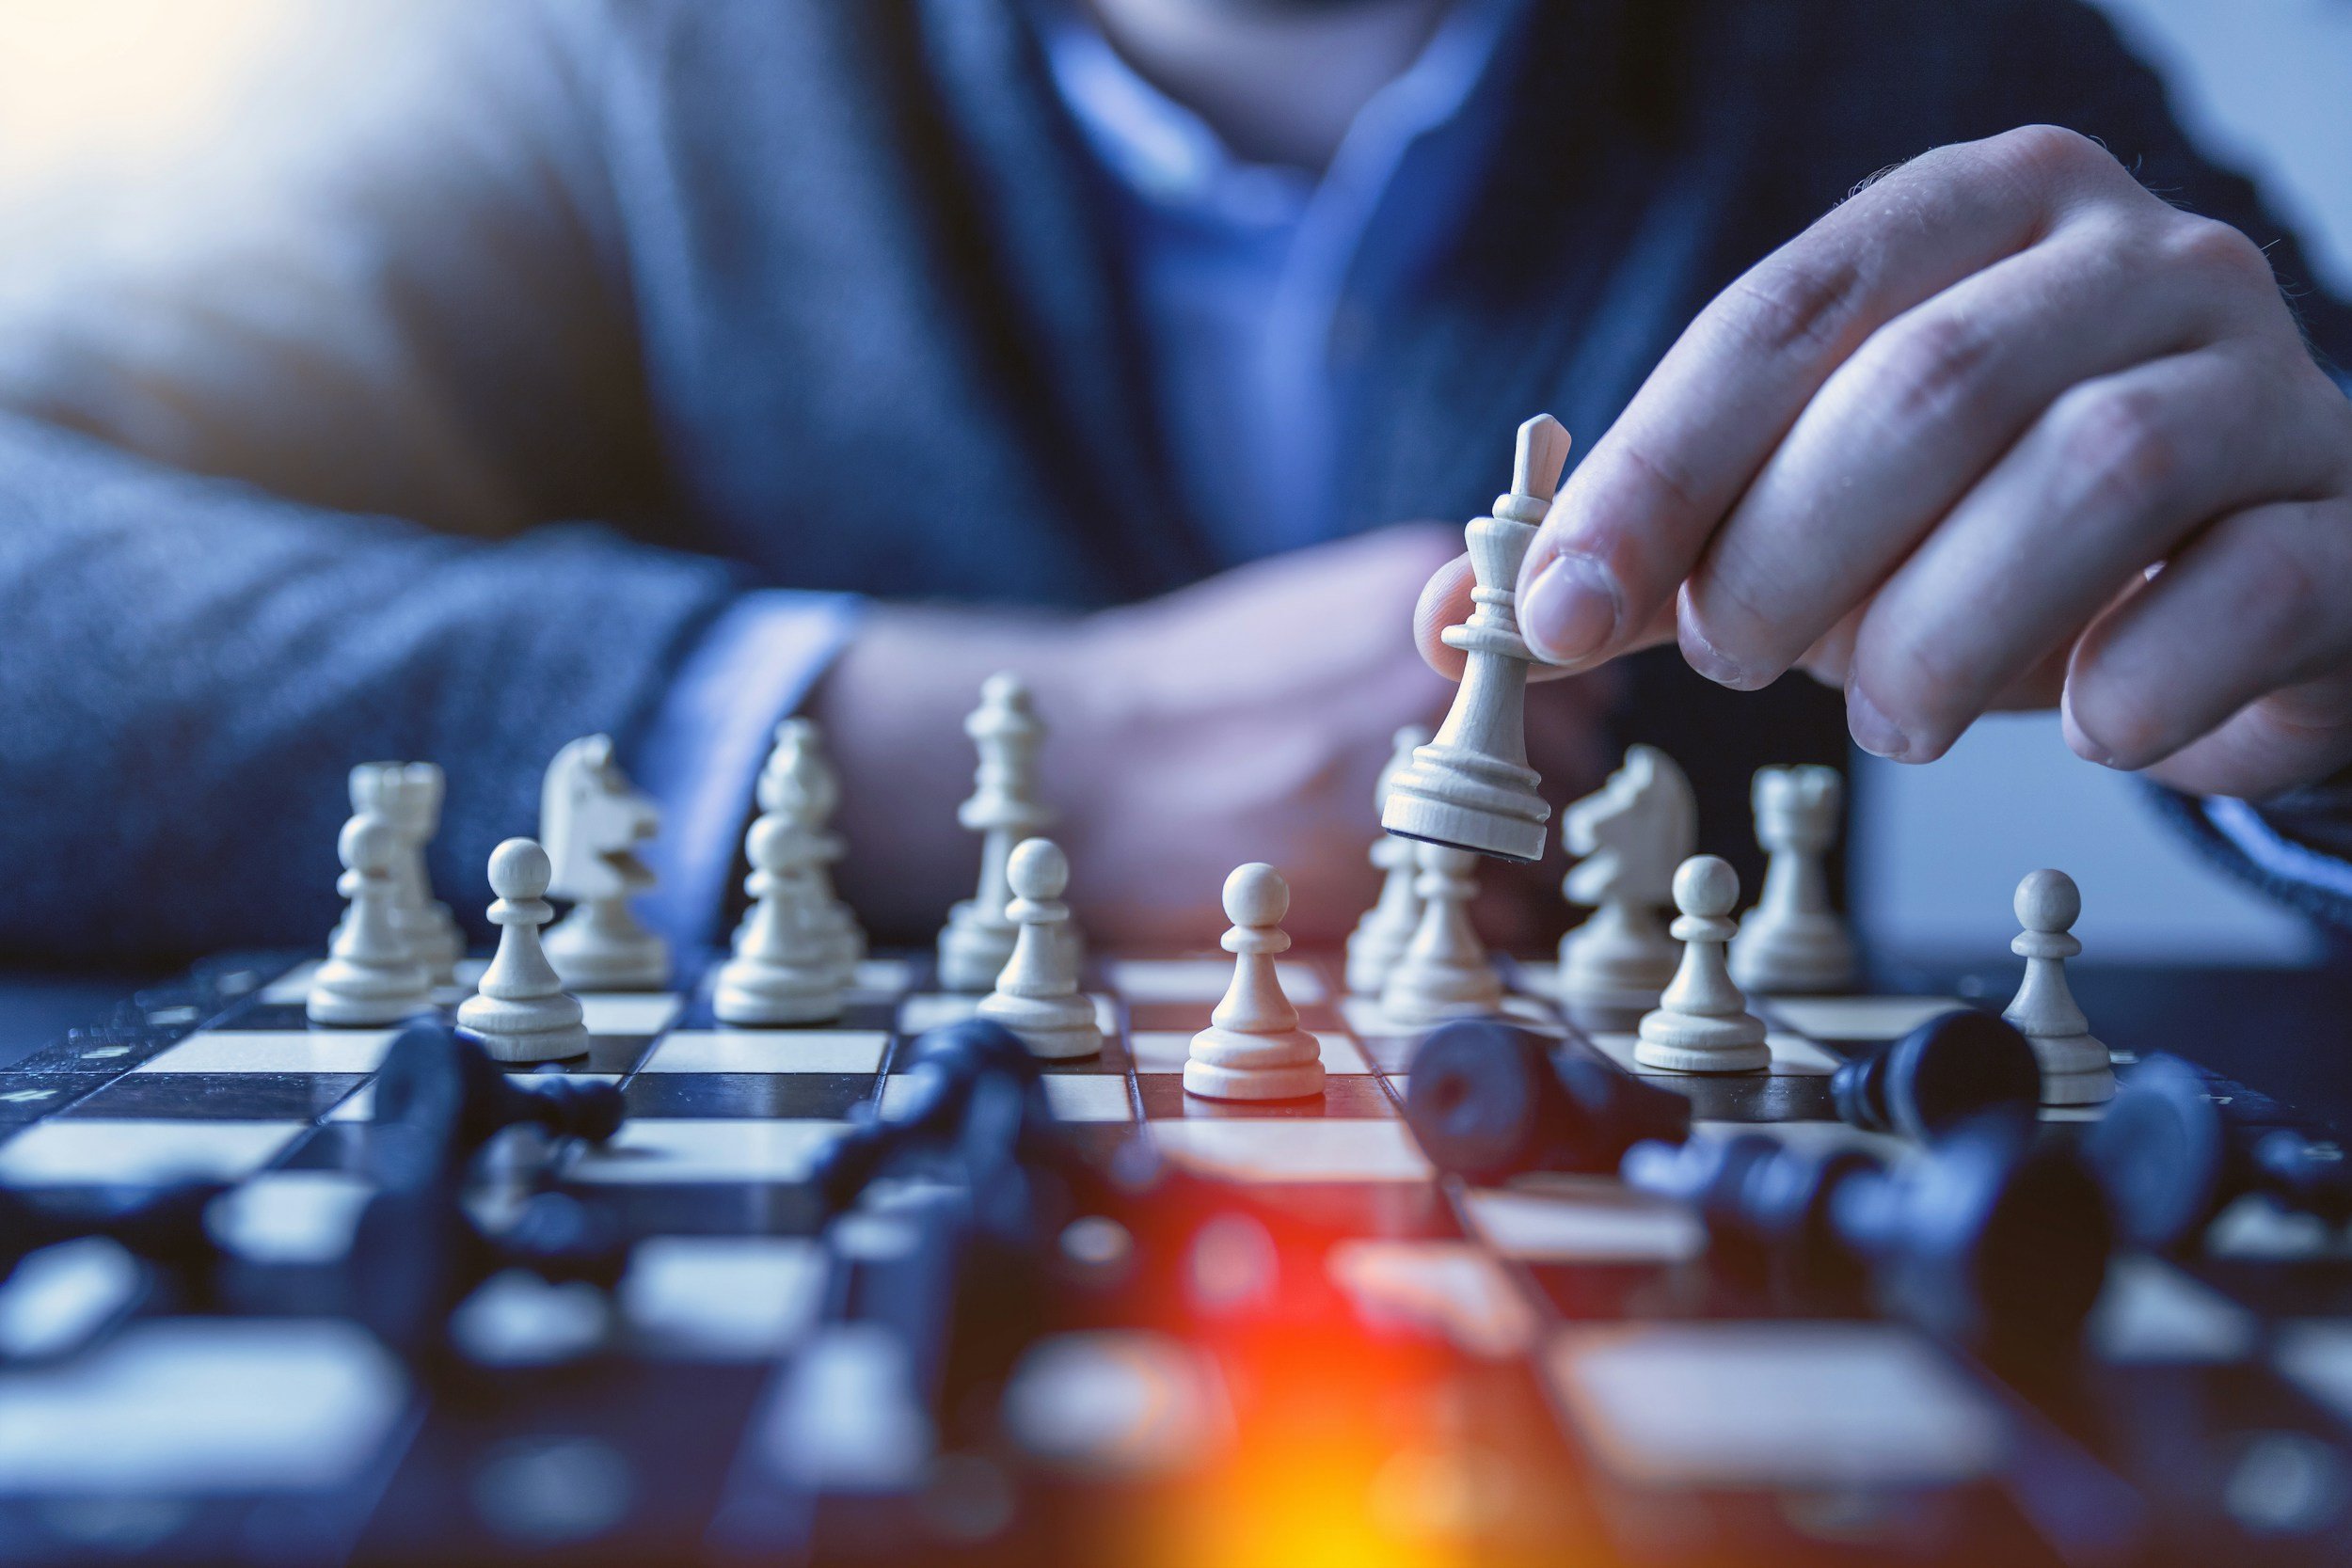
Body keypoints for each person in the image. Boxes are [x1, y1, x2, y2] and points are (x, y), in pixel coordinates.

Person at [0, 0, 2345, 963]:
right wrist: (962, 751)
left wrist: (2331, 713)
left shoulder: (1909, 58)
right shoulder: (575, 59)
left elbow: (2292, 506)